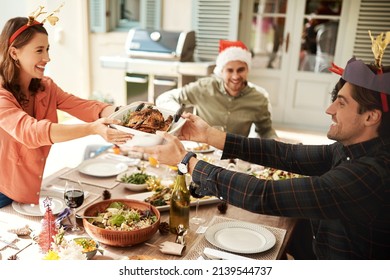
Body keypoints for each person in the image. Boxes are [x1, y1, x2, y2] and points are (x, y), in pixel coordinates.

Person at [132, 47, 390, 259]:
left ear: (371, 116)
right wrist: (211, 136)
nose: (330, 109)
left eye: (341, 102)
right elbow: (286, 154)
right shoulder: (350, 149)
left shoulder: (369, 174)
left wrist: (187, 162)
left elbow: (264, 196)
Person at [0, 7, 132, 208]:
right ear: (14, 53)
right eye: (39, 50)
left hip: (27, 190)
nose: (47, 58)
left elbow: (86, 107)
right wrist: (92, 129)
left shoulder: (45, 87)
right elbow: (31, 133)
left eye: (47, 49)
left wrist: (131, 112)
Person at [156, 40, 277, 139]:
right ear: (221, 71)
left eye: (240, 70)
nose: (235, 76)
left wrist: (278, 145)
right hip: (203, 152)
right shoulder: (204, 88)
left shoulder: (259, 99)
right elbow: (165, 98)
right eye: (230, 70)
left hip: (236, 156)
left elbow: (266, 131)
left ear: (248, 70)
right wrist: (178, 114)